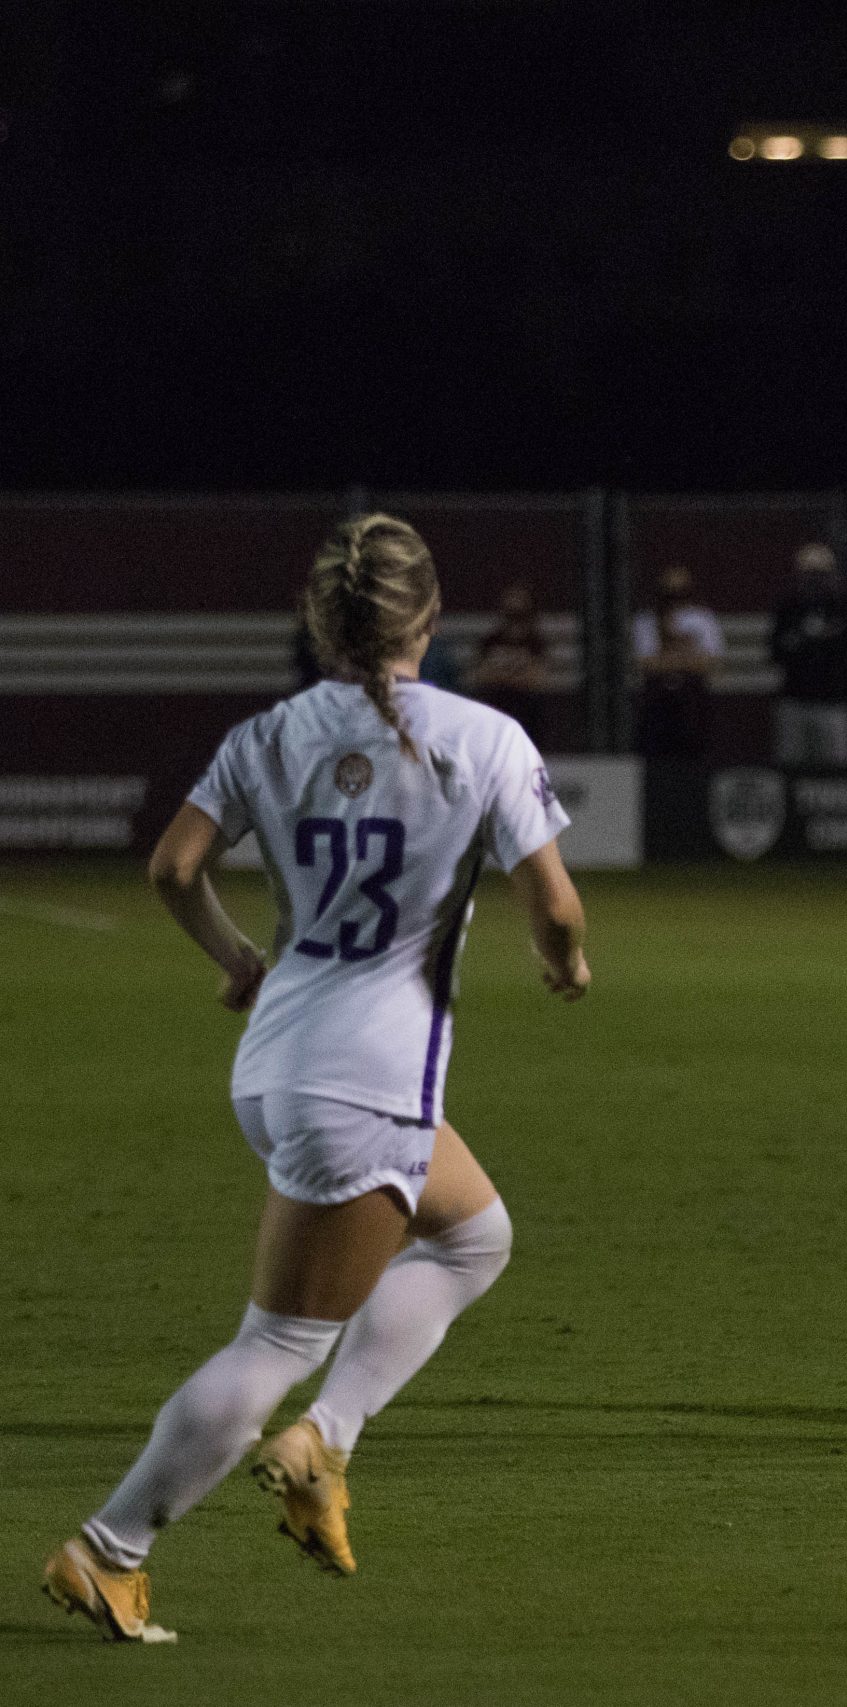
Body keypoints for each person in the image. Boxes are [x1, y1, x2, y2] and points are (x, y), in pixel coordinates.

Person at [41, 515, 590, 1643]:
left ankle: (324, 1441)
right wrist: (563, 960)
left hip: (282, 1056)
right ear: (430, 625)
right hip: (368, 1082)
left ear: (321, 628)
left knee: (475, 1234)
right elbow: (556, 902)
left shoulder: (269, 735)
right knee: (278, 1342)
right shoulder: (482, 736)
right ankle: (111, 1549)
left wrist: (238, 957)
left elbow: (173, 867)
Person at [768, 541, 847, 768]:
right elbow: (774, 652)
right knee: (792, 769)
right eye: (809, 573)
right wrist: (805, 641)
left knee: (837, 771)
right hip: (795, 701)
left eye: (820, 574)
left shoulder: (843, 608)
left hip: (833, 701)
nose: (815, 580)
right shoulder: (787, 608)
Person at [634, 565, 722, 757]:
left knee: (694, 752)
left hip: (692, 698)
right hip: (658, 699)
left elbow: (709, 662)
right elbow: (646, 663)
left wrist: (669, 659)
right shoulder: (646, 620)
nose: (675, 598)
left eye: (680, 592)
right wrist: (687, 659)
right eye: (670, 593)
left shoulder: (702, 618)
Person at [471, 583, 550, 746]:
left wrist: (503, 676)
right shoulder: (491, 641)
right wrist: (514, 677)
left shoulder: (536, 643)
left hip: (526, 703)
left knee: (529, 704)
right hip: (498, 700)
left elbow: (537, 679)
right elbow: (481, 675)